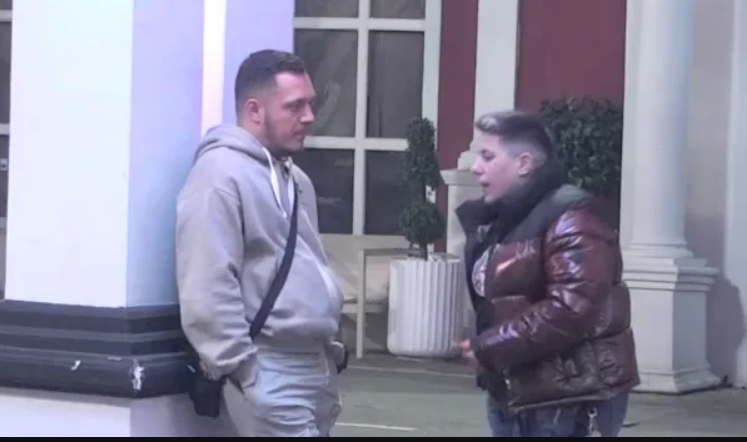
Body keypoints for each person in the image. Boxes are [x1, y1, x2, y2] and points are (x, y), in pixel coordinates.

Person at [175, 50, 346, 437]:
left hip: (313, 364)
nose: (309, 117)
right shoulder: (219, 176)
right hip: (268, 366)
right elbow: (206, 282)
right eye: (295, 106)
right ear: (254, 110)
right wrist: (246, 370)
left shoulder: (295, 179)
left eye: (311, 104)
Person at [456, 110, 639, 437]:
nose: (475, 167)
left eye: (487, 156)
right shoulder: (504, 220)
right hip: (517, 388)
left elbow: (571, 308)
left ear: (524, 163)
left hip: (568, 397)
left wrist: (489, 346)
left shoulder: (572, 217)